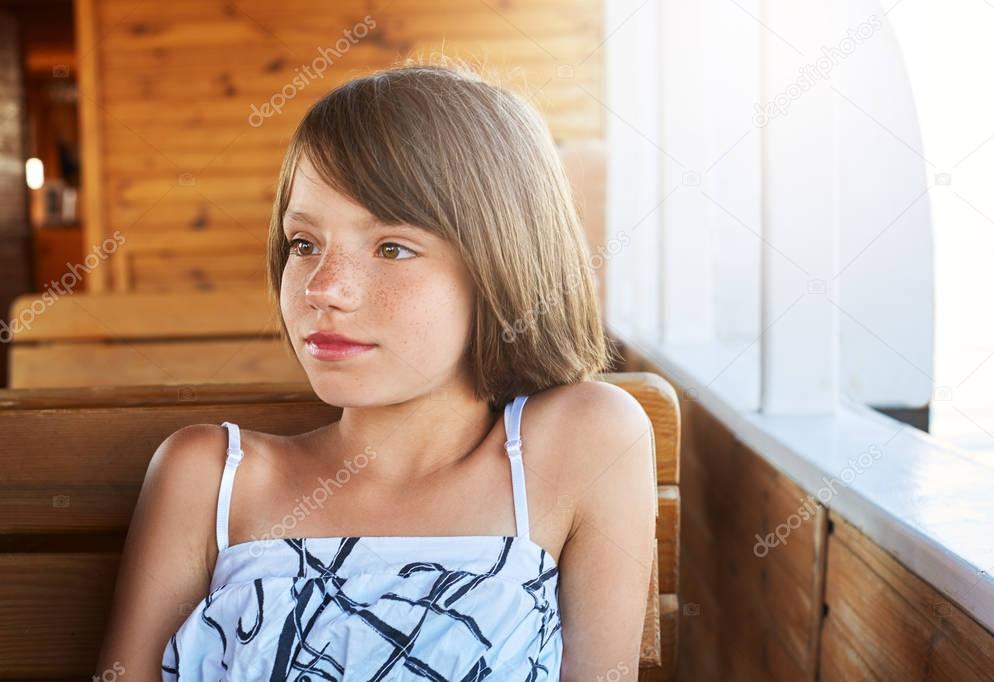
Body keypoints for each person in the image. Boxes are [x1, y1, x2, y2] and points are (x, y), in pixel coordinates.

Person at [96, 57, 656, 681]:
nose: (324, 289)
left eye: (392, 247)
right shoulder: (208, 479)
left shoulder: (582, 444)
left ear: (504, 263)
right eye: (304, 244)